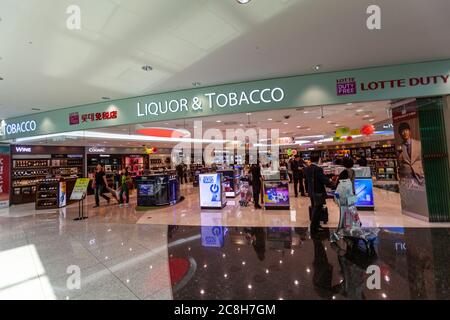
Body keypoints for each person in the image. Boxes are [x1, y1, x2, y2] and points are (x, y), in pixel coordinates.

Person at [305, 153, 332, 233]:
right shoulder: (318, 169)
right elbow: (322, 179)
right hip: (318, 191)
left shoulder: (307, 168)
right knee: (318, 208)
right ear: (318, 159)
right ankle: (314, 226)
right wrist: (329, 181)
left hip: (311, 191)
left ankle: (316, 225)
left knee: (314, 207)